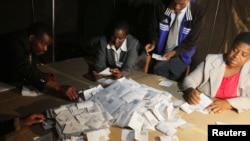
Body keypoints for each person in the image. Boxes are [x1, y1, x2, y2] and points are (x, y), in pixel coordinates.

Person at [0, 22, 78, 101]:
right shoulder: (15, 42)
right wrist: (58, 87)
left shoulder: (28, 44)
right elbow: (24, 69)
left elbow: (29, 66)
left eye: (47, 45)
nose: (45, 49)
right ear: (32, 38)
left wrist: (41, 75)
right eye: (43, 44)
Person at [182, 32, 250, 114]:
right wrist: (189, 90)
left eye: (244, 55)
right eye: (234, 50)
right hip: (203, 108)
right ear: (230, 47)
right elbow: (190, 79)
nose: (236, 56)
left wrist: (228, 104)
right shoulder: (211, 60)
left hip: (231, 113)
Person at [145, 0, 205, 82]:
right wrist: (153, 42)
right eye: (174, 3)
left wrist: (174, 52)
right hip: (162, 53)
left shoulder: (197, 12)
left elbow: (192, 40)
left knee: (175, 80)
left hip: (182, 55)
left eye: (181, 4)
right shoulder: (161, 6)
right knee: (157, 78)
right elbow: (153, 29)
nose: (177, 7)